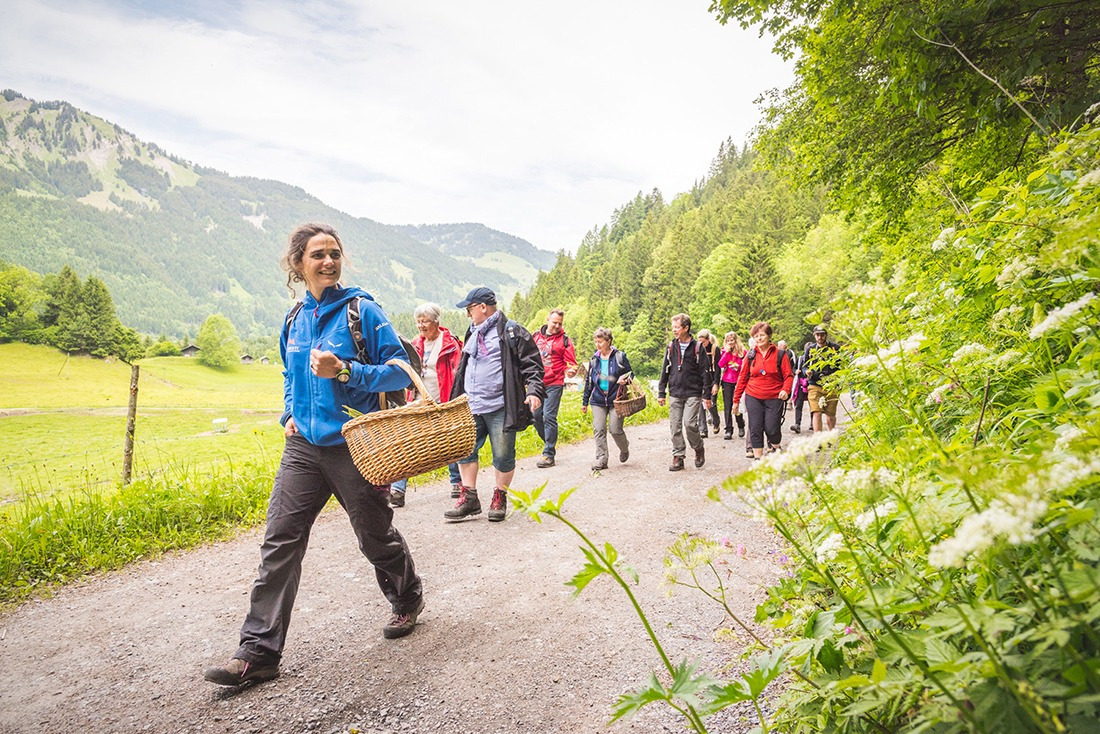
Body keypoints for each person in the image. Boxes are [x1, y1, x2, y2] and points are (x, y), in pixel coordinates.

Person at [203, 223, 423, 688]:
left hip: (353, 444)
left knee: (374, 535)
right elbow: (289, 371)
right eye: (318, 255)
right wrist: (289, 411)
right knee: (280, 540)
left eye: (335, 254)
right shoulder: (292, 319)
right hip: (303, 447)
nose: (328, 261)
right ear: (298, 264)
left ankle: (407, 597)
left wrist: (346, 370)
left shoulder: (363, 311)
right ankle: (258, 652)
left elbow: (400, 371)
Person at [446, 287, 544, 523]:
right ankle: (469, 497)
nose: (468, 314)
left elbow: (533, 365)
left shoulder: (512, 331)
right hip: (472, 404)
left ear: (483, 307)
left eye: (470, 309)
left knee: (502, 455)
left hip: (500, 405)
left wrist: (534, 392)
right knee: (465, 449)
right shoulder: (472, 333)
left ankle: (500, 496)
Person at [388, 302, 464, 508]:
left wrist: (456, 399)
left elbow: (458, 372)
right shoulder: (415, 343)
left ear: (436, 321)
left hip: (443, 399)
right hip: (418, 401)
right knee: (408, 442)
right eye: (418, 322)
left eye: (425, 321)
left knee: (450, 441)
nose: (421, 326)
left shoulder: (449, 343)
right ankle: (397, 490)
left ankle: (457, 482)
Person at [657, 313, 714, 471]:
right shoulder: (671, 346)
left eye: (677, 327)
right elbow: (665, 370)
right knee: (675, 426)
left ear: (686, 328)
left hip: (693, 393)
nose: (674, 330)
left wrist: (706, 395)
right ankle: (678, 456)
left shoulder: (697, 347)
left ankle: (698, 448)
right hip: (675, 392)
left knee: (689, 424)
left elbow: (705, 372)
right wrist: (661, 392)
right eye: (673, 327)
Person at [733, 321, 793, 460]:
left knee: (772, 429)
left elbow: (788, 375)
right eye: (756, 336)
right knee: (755, 427)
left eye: (762, 335)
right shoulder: (751, 355)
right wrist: (736, 400)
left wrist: (786, 389)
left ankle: (776, 446)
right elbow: (742, 377)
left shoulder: (780, 354)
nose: (759, 339)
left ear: (769, 336)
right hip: (753, 395)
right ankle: (758, 459)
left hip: (774, 396)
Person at [581, 327, 633, 471]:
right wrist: (585, 402)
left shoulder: (619, 357)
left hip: (616, 399)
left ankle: (624, 448)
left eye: (600, 341)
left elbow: (630, 374)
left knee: (615, 429)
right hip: (597, 400)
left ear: (608, 341)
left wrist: (625, 379)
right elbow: (589, 382)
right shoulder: (593, 360)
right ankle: (602, 459)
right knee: (599, 429)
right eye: (595, 341)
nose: (597, 344)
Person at [533, 309, 578, 468]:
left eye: (560, 323)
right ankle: (549, 443)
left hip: (555, 383)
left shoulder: (565, 340)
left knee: (549, 416)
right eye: (554, 322)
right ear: (548, 320)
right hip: (536, 383)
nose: (557, 326)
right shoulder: (535, 336)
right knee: (536, 416)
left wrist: (571, 371)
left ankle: (548, 454)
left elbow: (572, 363)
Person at [804, 324, 842, 432]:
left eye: (822, 335)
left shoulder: (835, 348)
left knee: (830, 414)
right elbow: (804, 365)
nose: (820, 337)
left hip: (831, 385)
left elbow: (842, 365)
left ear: (826, 335)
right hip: (815, 384)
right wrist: (807, 371)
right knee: (817, 412)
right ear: (814, 336)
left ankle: (830, 436)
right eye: (817, 335)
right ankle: (818, 439)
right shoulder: (810, 349)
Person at [717, 332, 746, 440]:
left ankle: (740, 424)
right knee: (727, 405)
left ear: (735, 340)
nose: (730, 343)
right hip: (727, 380)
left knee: (737, 403)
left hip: (738, 380)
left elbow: (745, 366)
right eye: (728, 341)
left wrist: (738, 366)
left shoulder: (743, 351)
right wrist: (727, 353)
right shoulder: (724, 351)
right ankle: (728, 429)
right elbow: (720, 364)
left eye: (732, 340)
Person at [696, 329, 721, 438]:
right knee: (701, 404)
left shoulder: (715, 349)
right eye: (699, 342)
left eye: (703, 342)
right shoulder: (697, 350)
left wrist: (716, 383)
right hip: (701, 381)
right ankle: (703, 429)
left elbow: (718, 368)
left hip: (712, 379)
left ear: (708, 340)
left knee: (711, 403)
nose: (701, 344)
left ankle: (716, 421)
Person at [776, 340, 798, 429]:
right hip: (780, 377)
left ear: (785, 346)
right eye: (779, 346)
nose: (780, 347)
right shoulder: (777, 354)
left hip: (790, 374)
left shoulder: (790, 353)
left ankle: (789, 402)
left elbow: (795, 364)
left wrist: (794, 372)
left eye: (781, 346)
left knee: (790, 389)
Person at [789, 343, 810, 434]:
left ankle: (813, 423)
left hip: (812, 384)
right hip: (801, 384)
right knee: (798, 404)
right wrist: (795, 371)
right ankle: (797, 424)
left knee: (813, 405)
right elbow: (793, 369)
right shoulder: (801, 358)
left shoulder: (817, 359)